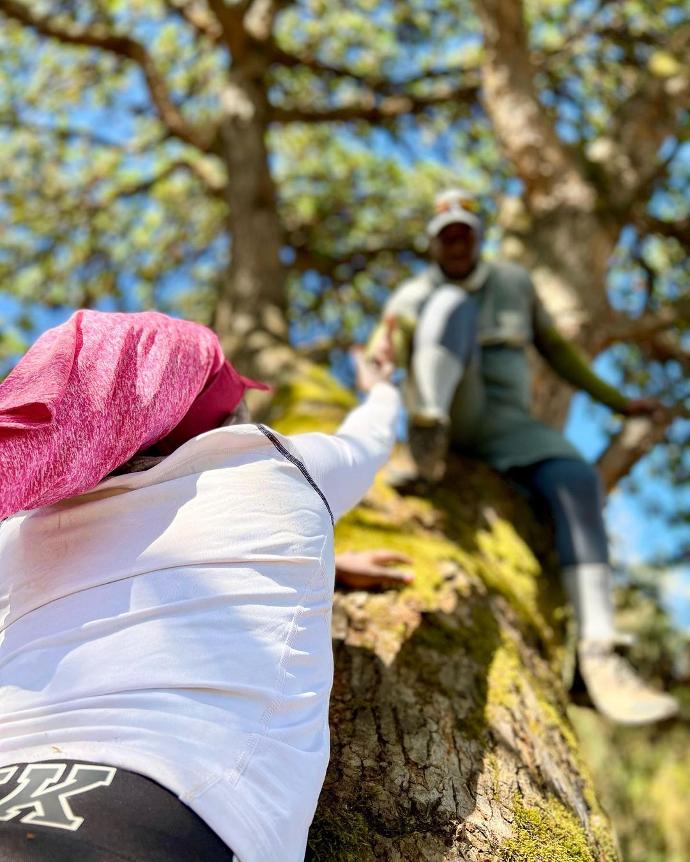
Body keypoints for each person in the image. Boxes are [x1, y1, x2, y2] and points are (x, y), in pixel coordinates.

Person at [0, 309, 405, 862]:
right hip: (162, 811)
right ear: (216, 417)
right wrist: (380, 387)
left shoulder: (18, 529)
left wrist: (316, 554)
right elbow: (372, 438)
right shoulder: (275, 463)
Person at [367, 188, 678, 725]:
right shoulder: (414, 295)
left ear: (479, 236)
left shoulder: (514, 283)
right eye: (448, 236)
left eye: (465, 232)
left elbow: (557, 350)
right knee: (449, 305)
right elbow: (380, 354)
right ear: (434, 245)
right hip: (448, 412)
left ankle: (597, 653)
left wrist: (620, 401)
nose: (458, 243)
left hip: (513, 426)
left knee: (578, 478)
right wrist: (374, 397)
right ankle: (428, 444)